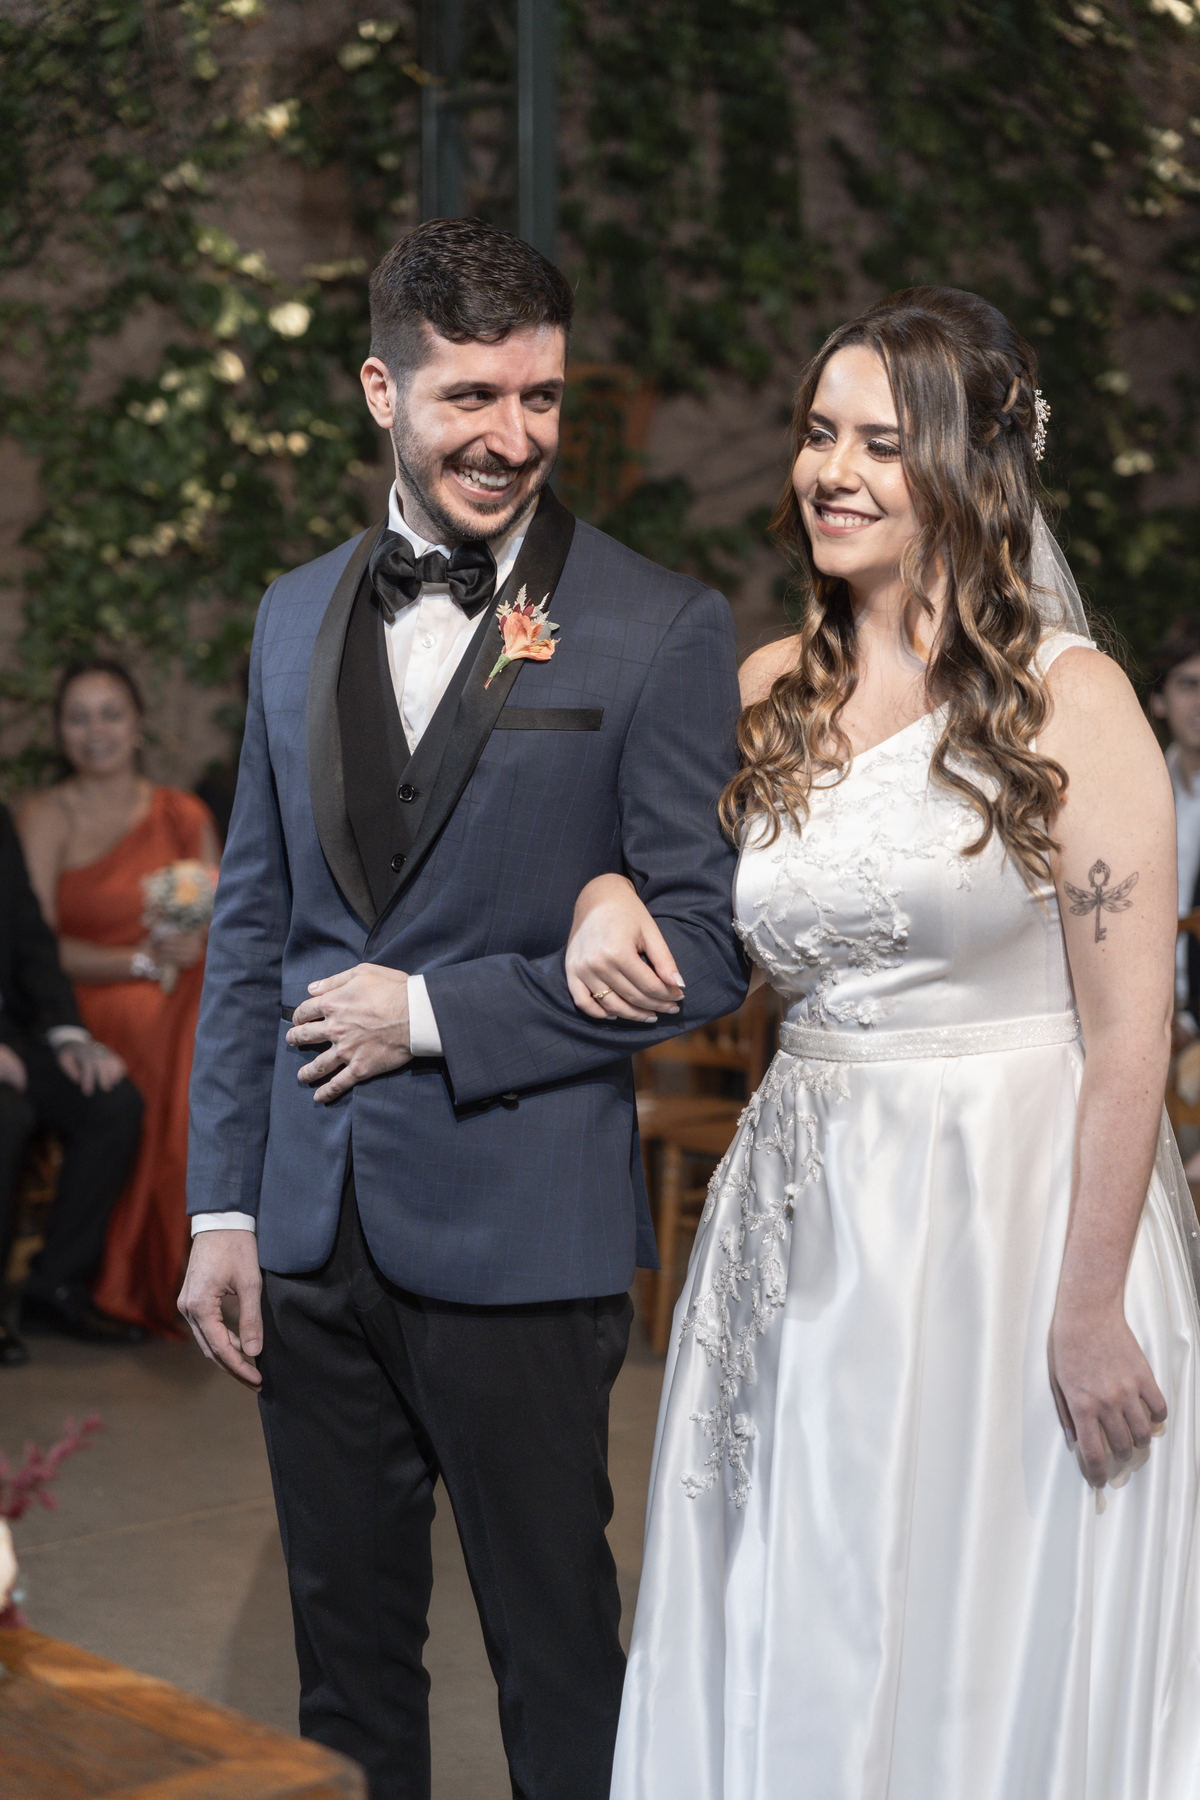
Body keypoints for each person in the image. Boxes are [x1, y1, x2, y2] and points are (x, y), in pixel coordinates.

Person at [567, 288, 1200, 1799]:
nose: (831, 471)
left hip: (1013, 1223)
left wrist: (1090, 1303)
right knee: (813, 1593)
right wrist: (599, 893)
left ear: (969, 472)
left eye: (880, 443)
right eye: (817, 433)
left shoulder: (1072, 701)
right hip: (805, 1224)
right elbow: (670, 902)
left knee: (983, 1618)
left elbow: (1131, 1034)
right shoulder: (762, 696)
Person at [178, 216, 747, 1800]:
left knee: (557, 1667)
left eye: (541, 397)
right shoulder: (291, 613)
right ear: (383, 390)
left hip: (521, 1236)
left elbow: (706, 948)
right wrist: (223, 1204)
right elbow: (253, 929)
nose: (513, 436)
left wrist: (433, 1016)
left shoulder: (657, 624)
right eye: (471, 398)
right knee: (344, 1672)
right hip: (311, 1237)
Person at [18, 660, 220, 1335]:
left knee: (214, 1017)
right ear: (59, 732)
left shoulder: (182, 813)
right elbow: (34, 948)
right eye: (77, 718)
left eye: (110, 714)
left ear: (137, 725)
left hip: (181, 988)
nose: (95, 731)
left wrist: (194, 943)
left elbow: (225, 916)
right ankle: (137, 1271)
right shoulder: (46, 816)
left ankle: (202, 1258)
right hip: (82, 998)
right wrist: (139, 962)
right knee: (171, 1028)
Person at [0, 803, 143, 1361]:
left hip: (16, 1034)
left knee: (111, 1102)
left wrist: (69, 1035)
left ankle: (54, 1286)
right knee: (7, 1117)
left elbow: (30, 936)